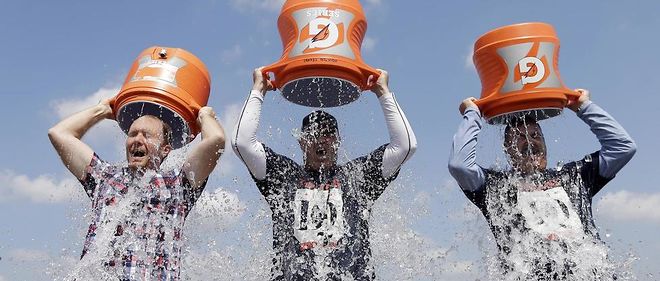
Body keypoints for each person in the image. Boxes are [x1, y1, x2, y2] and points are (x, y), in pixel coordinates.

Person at [232, 67, 417, 280]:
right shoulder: (284, 176)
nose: (321, 139)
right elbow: (241, 142)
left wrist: (383, 92)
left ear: (338, 142)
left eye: (328, 135)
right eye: (313, 134)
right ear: (302, 142)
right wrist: (258, 90)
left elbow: (406, 146)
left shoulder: (357, 176)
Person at [448, 89, 636, 280]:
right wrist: (473, 113)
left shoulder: (575, 175)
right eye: (520, 136)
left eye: (535, 135)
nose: (529, 140)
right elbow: (460, 165)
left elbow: (623, 147)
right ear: (508, 149)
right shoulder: (496, 187)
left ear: (545, 143)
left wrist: (582, 106)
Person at [48, 100, 225, 280]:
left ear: (165, 149)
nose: (137, 140)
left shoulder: (179, 185)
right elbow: (59, 133)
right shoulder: (104, 178)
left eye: (147, 135)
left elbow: (216, 140)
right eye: (132, 134)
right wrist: (102, 110)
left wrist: (205, 116)